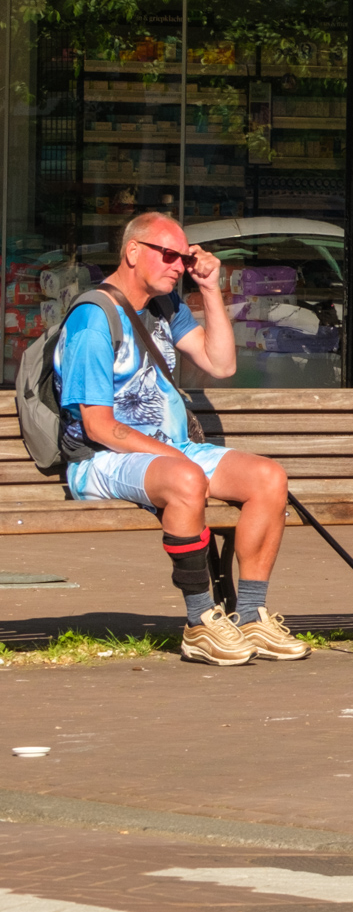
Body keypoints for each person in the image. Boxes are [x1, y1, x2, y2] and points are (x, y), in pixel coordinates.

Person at [53, 212, 306, 666]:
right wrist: (176, 459)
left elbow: (221, 364)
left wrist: (209, 288)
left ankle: (251, 616)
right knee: (186, 478)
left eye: (184, 258)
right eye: (169, 255)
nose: (179, 266)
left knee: (268, 478)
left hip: (170, 452)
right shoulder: (93, 319)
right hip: (101, 458)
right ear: (133, 252)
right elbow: (98, 427)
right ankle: (199, 624)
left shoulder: (166, 305)